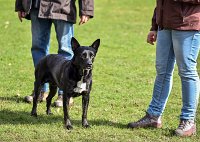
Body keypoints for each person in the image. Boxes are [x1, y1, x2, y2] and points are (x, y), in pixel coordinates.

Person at [127, 0, 200, 137]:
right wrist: (155, 25)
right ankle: (153, 116)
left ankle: (188, 120)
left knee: (187, 72)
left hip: (187, 24)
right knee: (162, 71)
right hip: (165, 25)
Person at [15, 0, 94, 107]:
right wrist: (21, 5)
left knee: (66, 50)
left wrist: (86, 9)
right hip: (37, 6)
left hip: (64, 6)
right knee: (38, 48)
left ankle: (65, 93)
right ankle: (40, 90)